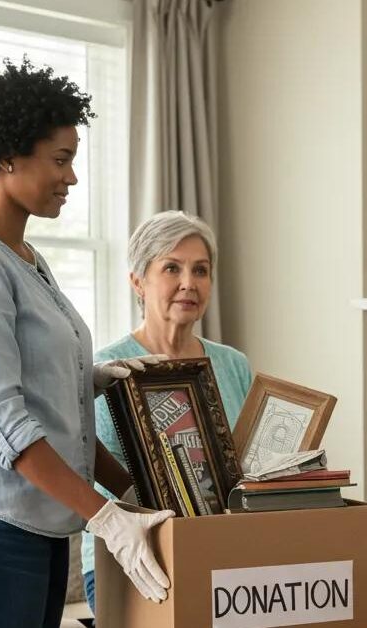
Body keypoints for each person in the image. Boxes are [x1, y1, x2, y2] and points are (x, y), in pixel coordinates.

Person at [0, 59, 174, 628]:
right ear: (7, 157)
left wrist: (139, 491)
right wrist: (107, 516)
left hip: (40, 515)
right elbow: (2, 420)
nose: (72, 177)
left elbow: (48, 411)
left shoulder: (26, 261)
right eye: (61, 159)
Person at [80, 210, 252, 612]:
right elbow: (87, 464)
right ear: (138, 282)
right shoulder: (104, 368)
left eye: (201, 270)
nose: (188, 283)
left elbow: (246, 464)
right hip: (131, 559)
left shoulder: (233, 365)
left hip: (223, 552)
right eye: (171, 268)